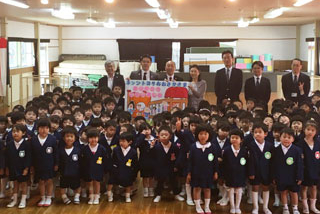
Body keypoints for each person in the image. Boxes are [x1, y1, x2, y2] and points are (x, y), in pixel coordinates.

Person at [187, 124, 218, 214]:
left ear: (209, 135)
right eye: (201, 134)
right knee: (196, 188)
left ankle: (207, 207)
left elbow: (215, 161)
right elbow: (190, 161)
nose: (203, 136)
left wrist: (215, 172)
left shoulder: (212, 147)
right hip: (196, 172)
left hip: (208, 172)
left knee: (207, 189)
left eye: (205, 134)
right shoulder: (193, 147)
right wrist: (189, 173)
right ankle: (198, 206)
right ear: (197, 135)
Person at [272, 127, 303, 214]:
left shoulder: (297, 150)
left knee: (294, 192)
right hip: (280, 176)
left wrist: (299, 176)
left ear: (293, 139)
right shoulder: (276, 150)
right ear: (280, 138)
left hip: (293, 176)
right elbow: (274, 165)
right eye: (284, 137)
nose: (286, 139)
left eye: (289, 137)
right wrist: (274, 176)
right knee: (283, 192)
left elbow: (300, 165)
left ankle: (295, 208)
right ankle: (285, 207)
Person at [31, 118, 58, 207]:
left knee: (49, 181)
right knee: (41, 181)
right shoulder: (34, 139)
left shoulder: (52, 139)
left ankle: (49, 197)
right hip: (38, 165)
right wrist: (31, 166)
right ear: (38, 128)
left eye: (46, 128)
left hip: (49, 164)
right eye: (42, 128)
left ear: (49, 129)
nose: (44, 130)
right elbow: (31, 154)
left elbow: (55, 153)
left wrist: (56, 164)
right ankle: (42, 197)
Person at [247, 123, 273, 214]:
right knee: (255, 188)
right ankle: (255, 207)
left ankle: (265, 207)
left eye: (260, 132)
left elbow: (272, 161)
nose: (257, 134)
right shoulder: (251, 145)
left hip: (266, 171)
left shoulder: (270, 146)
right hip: (255, 171)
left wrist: (271, 174)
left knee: (266, 188)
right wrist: (251, 172)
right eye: (255, 132)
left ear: (265, 134)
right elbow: (250, 161)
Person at [221, 129, 247, 214]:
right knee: (231, 190)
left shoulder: (244, 151)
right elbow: (224, 164)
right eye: (232, 137)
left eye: (236, 138)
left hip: (240, 174)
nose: (234, 139)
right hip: (229, 175)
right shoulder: (226, 150)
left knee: (239, 190)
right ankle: (232, 207)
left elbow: (246, 164)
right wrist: (223, 176)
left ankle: (237, 206)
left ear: (241, 140)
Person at [5, 124, 31, 209]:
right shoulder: (9, 145)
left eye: (17, 131)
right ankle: (15, 200)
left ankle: (23, 200)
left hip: (23, 169)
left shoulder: (27, 144)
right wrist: (7, 169)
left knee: (23, 184)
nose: (15, 133)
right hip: (13, 168)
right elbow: (7, 158)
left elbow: (29, 158)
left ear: (23, 133)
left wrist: (26, 168)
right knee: (15, 184)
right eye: (13, 131)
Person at [297, 120, 320, 214]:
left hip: (316, 169)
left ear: (316, 132)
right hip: (305, 170)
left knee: (314, 187)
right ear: (304, 130)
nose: (310, 132)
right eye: (308, 129)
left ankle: (313, 206)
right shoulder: (300, 143)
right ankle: (305, 207)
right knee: (304, 188)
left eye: (313, 130)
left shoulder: (318, 142)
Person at [59, 126, 81, 205]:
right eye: (67, 136)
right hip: (64, 173)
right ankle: (64, 197)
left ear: (75, 138)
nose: (69, 138)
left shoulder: (78, 150)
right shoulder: (60, 150)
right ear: (64, 138)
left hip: (75, 173)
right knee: (62, 186)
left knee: (77, 185)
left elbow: (81, 162)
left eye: (71, 136)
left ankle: (77, 197)